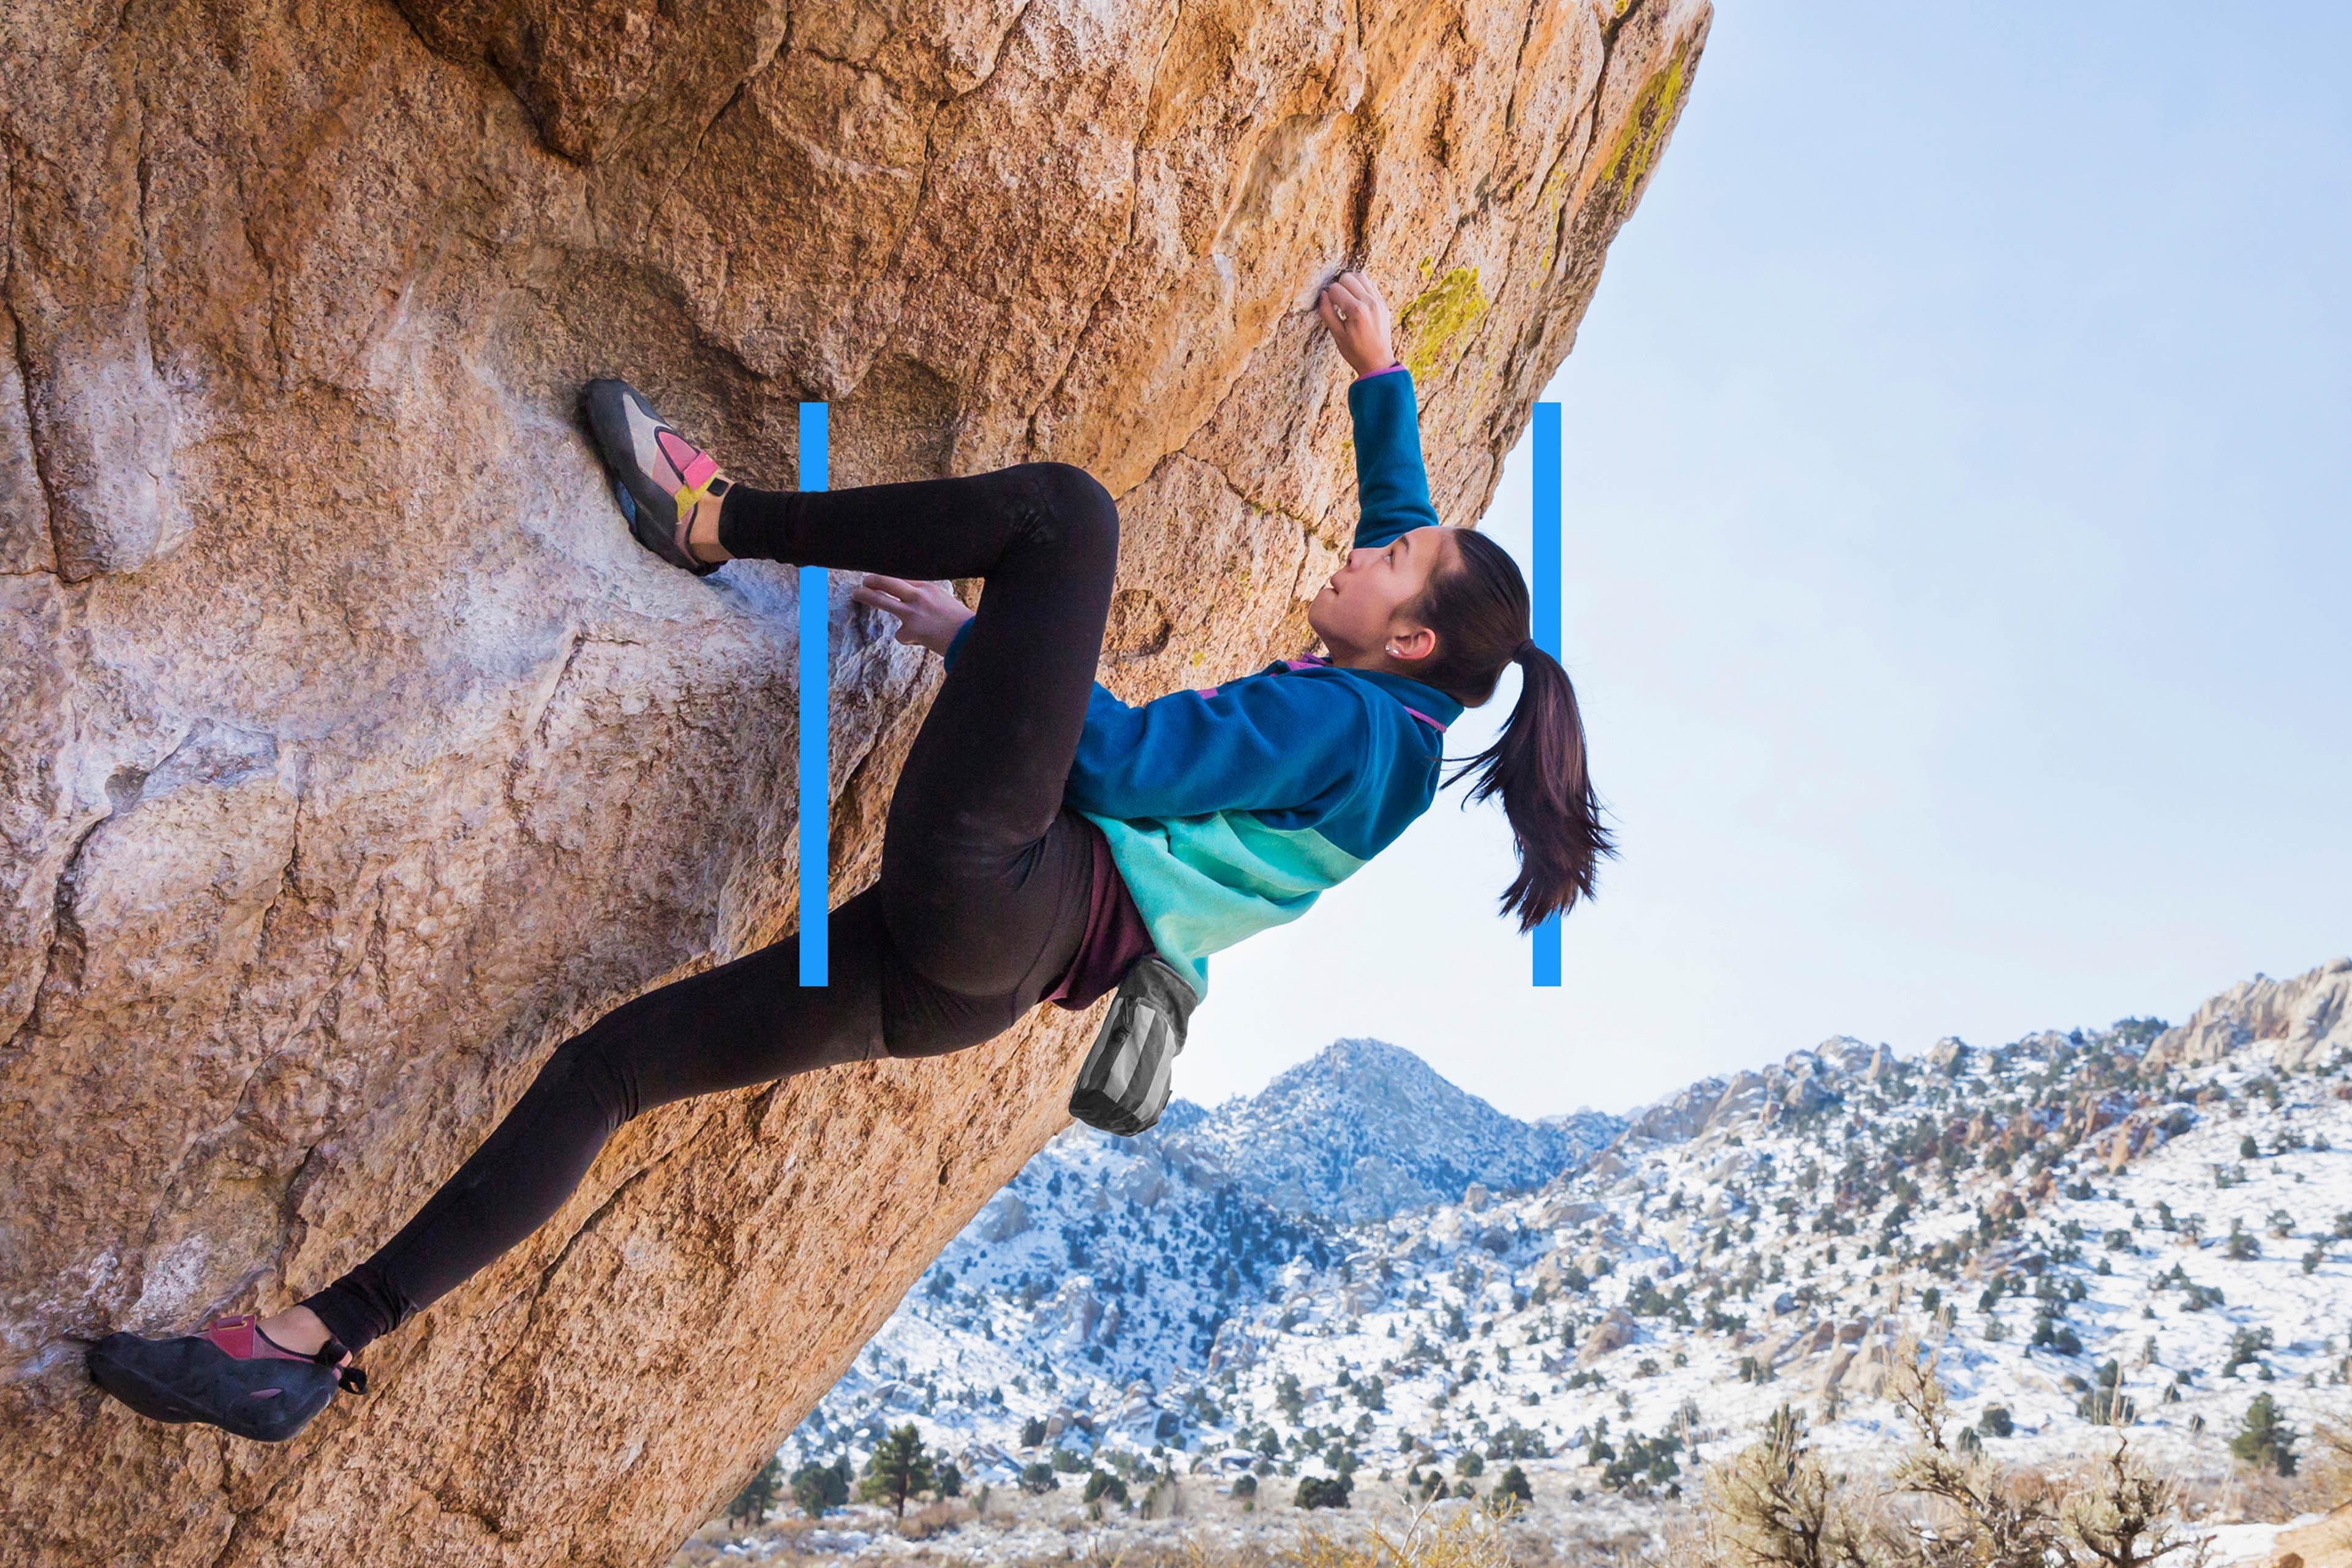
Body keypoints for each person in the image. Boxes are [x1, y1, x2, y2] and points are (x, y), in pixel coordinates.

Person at [83, 270, 1611, 1442]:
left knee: (1066, 517)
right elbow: (1412, 531)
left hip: (1012, 882)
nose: (1366, 544)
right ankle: (310, 1344)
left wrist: (989, 637)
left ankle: (711, 515)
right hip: (974, 983)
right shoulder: (1403, 715)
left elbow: (1128, 761)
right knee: (609, 1072)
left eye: (1391, 564)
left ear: (1408, 636)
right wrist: (1383, 372)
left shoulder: (1351, 727)